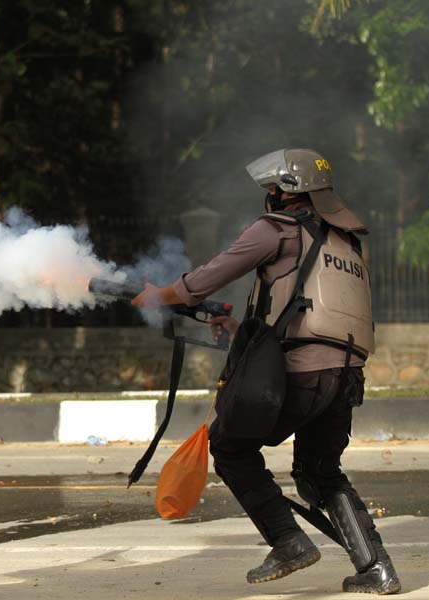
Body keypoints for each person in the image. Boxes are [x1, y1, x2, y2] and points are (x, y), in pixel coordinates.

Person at [132, 148, 400, 595]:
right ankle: (378, 569)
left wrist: (160, 295)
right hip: (346, 375)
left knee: (229, 446)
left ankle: (288, 541)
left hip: (303, 373)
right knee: (320, 472)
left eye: (273, 187)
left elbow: (208, 276)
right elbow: (308, 312)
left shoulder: (276, 228)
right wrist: (239, 328)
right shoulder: (344, 242)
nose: (269, 194)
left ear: (288, 190)